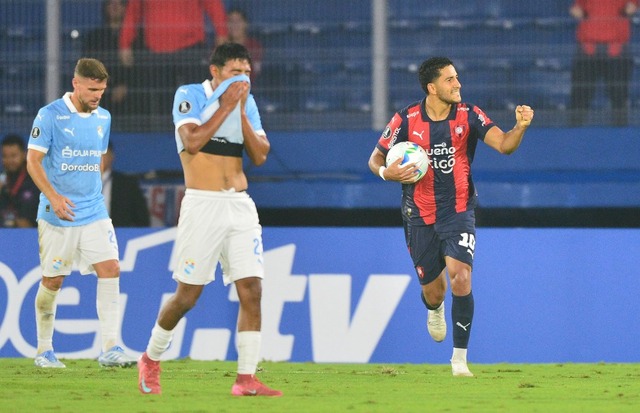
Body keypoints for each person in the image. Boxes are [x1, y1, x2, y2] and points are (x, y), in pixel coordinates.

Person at [368, 57, 534, 377]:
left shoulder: (470, 115)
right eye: (449, 80)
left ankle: (459, 359)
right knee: (435, 291)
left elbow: (504, 145)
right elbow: (375, 158)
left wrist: (520, 127)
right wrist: (386, 172)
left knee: (461, 276)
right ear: (432, 88)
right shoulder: (406, 119)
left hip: (458, 210)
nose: (457, 84)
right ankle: (434, 308)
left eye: (457, 78)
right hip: (418, 214)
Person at [137, 43, 281, 397]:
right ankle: (151, 358)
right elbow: (193, 141)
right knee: (187, 296)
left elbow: (261, 155)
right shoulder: (189, 95)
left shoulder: (247, 103)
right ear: (215, 71)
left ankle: (246, 378)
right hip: (203, 205)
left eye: (247, 73)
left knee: (252, 290)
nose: (243, 79)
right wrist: (227, 105)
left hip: (240, 205)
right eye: (236, 72)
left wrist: (242, 111)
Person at [26, 58, 137, 369]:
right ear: (76, 84)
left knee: (111, 268)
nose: (97, 96)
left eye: (101, 90)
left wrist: (90, 195)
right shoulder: (49, 116)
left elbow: (96, 161)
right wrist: (55, 196)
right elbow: (33, 162)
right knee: (53, 281)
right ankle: (44, 351)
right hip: (58, 213)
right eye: (92, 89)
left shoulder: (103, 117)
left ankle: (111, 348)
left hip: (93, 211)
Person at [118, 0, 229, 118]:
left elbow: (212, 4)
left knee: (195, 99)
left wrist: (222, 33)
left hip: (190, 46)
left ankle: (197, 132)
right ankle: (164, 134)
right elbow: (133, 10)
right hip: (157, 49)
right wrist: (125, 43)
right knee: (162, 103)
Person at [568, 0, 638, 126]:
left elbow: (631, 8)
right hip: (592, 49)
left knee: (617, 97)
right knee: (582, 96)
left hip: (613, 49)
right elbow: (576, 10)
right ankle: (575, 130)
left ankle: (576, 130)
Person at [82, 0, 138, 117]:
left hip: (130, 88)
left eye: (119, 4)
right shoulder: (94, 37)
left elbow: (139, 67)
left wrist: (125, 85)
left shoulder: (136, 37)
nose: (114, 7)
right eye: (111, 4)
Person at [101, 141, 150, 227]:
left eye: (103, 154)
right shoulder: (82, 184)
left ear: (111, 156)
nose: (99, 158)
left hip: (120, 236)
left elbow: (142, 219)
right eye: (95, 154)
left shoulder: (128, 185)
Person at [0, 134, 40, 227]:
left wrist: (14, 223)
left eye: (13, 156)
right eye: (5, 156)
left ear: (24, 154)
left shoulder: (35, 180)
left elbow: (30, 222)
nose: (9, 161)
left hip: (29, 235)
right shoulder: (2, 180)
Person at [227, 8, 263, 82]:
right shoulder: (222, 46)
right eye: (231, 21)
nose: (234, 25)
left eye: (238, 21)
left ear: (245, 24)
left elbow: (256, 73)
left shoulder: (254, 46)